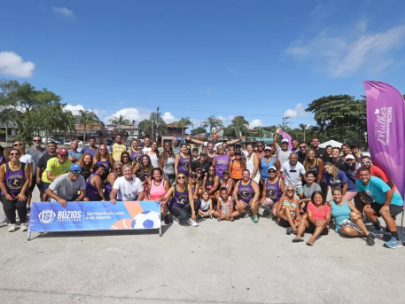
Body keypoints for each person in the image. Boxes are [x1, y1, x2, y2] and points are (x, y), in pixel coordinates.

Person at [356, 167, 404, 248]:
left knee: (385, 213)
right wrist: (368, 203)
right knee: (367, 210)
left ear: (370, 174)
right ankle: (379, 229)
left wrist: (386, 205)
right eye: (361, 175)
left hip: (395, 202)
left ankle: (396, 239)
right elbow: (360, 192)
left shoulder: (375, 180)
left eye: (366, 175)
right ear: (358, 175)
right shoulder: (358, 181)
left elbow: (389, 192)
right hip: (380, 202)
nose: (364, 177)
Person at [0, 149, 29, 232]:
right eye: (12, 154)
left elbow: (27, 180)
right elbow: (1, 181)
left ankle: (22, 222)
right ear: (9, 156)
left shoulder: (25, 166)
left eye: (16, 154)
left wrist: (22, 192)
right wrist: (6, 194)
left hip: (20, 191)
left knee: (21, 205)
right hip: (8, 191)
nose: (14, 155)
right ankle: (13, 223)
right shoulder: (4, 167)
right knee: (9, 207)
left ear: (20, 156)